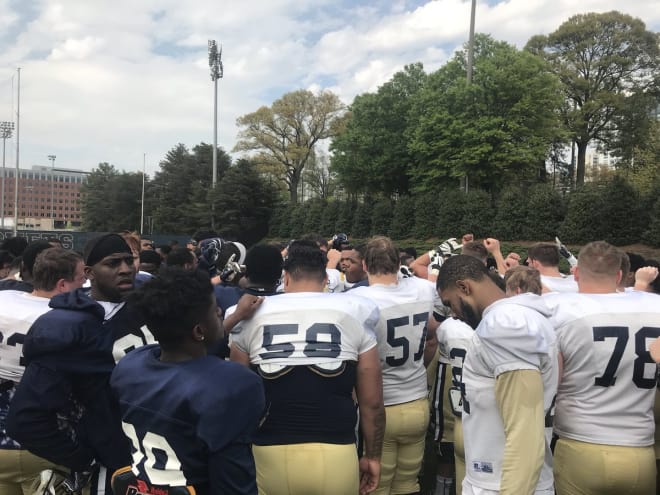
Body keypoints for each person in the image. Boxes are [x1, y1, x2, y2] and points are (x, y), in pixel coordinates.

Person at [229, 240, 385, 495]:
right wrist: (373, 456)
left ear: (286, 278)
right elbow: (373, 403)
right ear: (326, 279)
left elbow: (238, 397)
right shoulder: (356, 310)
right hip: (336, 450)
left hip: (270, 450)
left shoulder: (248, 315)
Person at [7, 233, 153, 494]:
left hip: (168, 453)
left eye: (129, 261)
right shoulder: (67, 324)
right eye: (112, 263)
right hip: (116, 462)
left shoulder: (153, 304)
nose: (125, 270)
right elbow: (27, 417)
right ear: (89, 272)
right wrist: (85, 458)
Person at [110, 268, 265, 495]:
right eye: (214, 310)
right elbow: (232, 479)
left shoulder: (130, 365)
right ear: (198, 331)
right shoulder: (233, 384)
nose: (220, 311)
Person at [437, 255, 558, 495]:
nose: (454, 314)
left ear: (464, 287)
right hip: (498, 477)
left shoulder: (504, 324)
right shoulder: (514, 317)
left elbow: (524, 433)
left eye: (451, 303)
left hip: (503, 482)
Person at [546, 241, 660, 495]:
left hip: (581, 443)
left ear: (575, 273)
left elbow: (551, 383)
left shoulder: (561, 308)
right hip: (640, 450)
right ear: (620, 275)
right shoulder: (655, 306)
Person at [351, 236, 438, 495]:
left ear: (365, 265)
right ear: (398, 263)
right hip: (417, 402)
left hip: (379, 408)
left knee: (376, 485)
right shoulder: (423, 290)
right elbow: (432, 339)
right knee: (408, 484)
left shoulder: (358, 299)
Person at [0, 248, 86, 494]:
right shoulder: (69, 319)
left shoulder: (3, 299)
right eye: (81, 277)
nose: (85, 282)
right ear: (62, 284)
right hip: (49, 444)